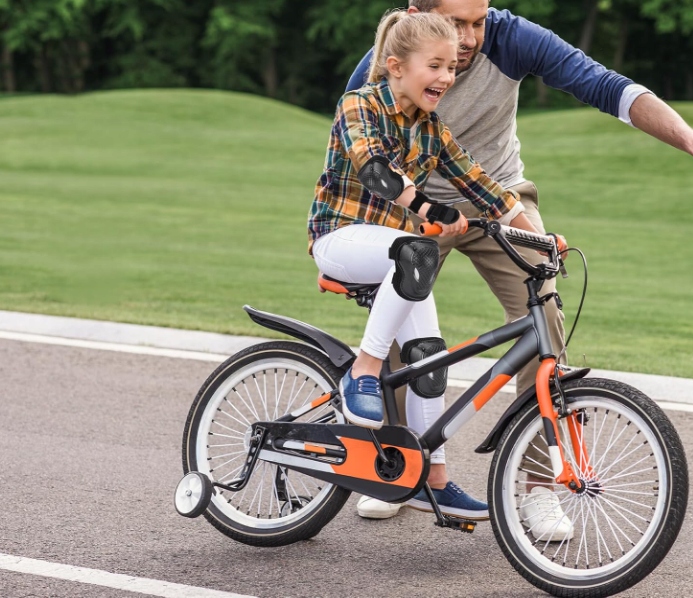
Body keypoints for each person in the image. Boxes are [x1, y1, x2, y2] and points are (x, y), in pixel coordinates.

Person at [348, 0, 693, 530]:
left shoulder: (511, 39)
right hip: (414, 208)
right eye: (456, 23)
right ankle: (393, 465)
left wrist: (689, 139)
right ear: (418, 13)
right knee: (396, 319)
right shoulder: (387, 60)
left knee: (544, 313)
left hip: (499, 199)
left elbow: (607, 87)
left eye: (478, 21)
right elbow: (355, 155)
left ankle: (537, 485)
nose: (469, 39)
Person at [308, 9, 559, 520]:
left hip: (397, 250)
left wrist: (539, 239)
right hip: (341, 236)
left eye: (451, 68)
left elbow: (483, 186)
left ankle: (433, 480)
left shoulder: (431, 129)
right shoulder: (359, 105)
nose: (448, 76)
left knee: (428, 361)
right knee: (414, 248)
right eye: (436, 66)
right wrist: (432, 211)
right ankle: (364, 370)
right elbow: (377, 172)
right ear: (396, 66)